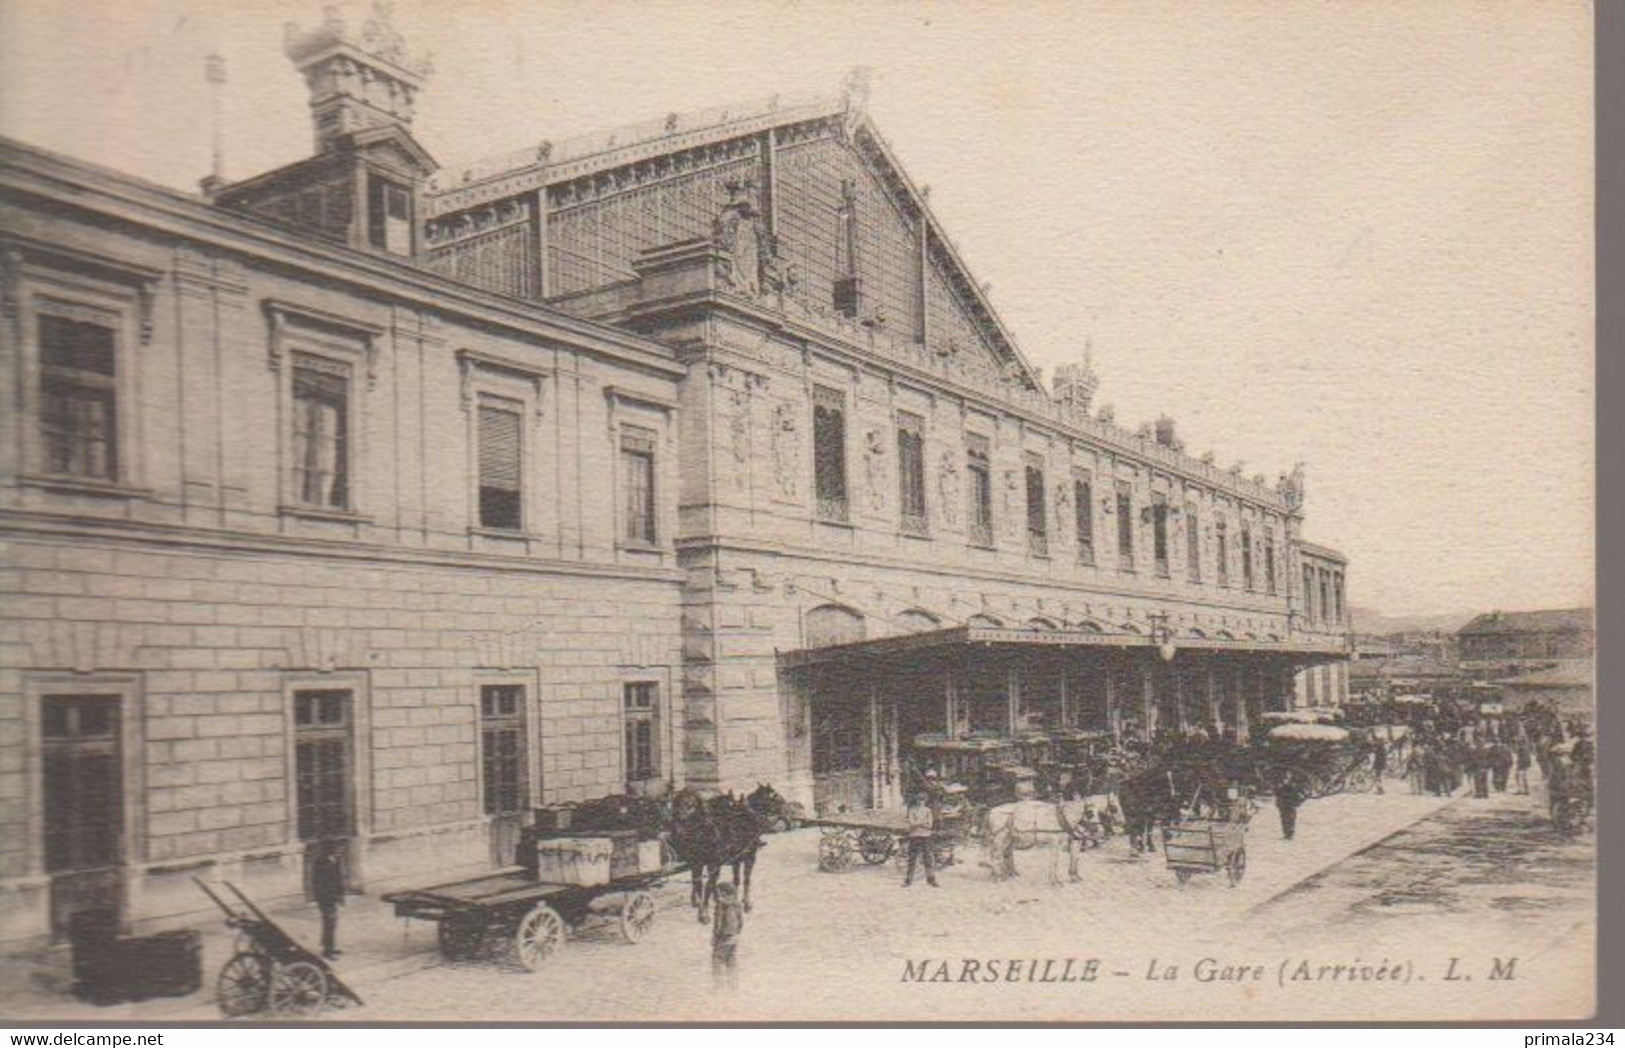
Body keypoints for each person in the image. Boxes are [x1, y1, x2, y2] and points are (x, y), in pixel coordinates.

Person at [310, 842, 346, 960]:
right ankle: (327, 950)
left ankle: (330, 947)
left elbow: (338, 878)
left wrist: (341, 896)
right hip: (325, 897)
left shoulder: (335, 860)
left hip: (332, 897)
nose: (340, 851)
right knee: (329, 922)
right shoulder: (321, 862)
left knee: (331, 923)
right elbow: (318, 882)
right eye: (337, 848)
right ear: (330, 849)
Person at [711, 882, 745, 990]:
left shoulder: (721, 904)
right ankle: (733, 986)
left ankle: (719, 986)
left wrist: (715, 937)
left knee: (717, 961)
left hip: (723, 937)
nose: (716, 895)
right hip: (734, 937)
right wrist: (736, 932)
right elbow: (741, 922)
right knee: (732, 962)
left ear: (723, 893)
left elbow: (718, 922)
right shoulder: (737, 903)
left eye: (718, 893)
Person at [902, 791, 939, 888]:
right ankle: (908, 880)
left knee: (928, 859)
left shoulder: (928, 811)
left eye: (923, 800)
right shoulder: (912, 810)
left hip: (925, 836)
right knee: (912, 859)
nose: (920, 802)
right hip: (914, 836)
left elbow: (930, 825)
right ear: (916, 800)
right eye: (919, 800)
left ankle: (931, 880)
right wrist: (922, 823)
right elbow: (911, 823)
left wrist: (918, 823)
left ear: (925, 801)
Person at [1275, 770, 1305, 841]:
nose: (1285, 779)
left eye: (1287, 777)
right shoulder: (1280, 785)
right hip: (1283, 804)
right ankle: (1286, 834)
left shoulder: (1293, 785)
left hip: (1290, 805)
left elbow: (1297, 794)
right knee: (1284, 819)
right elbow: (1276, 793)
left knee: (1290, 819)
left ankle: (1290, 835)